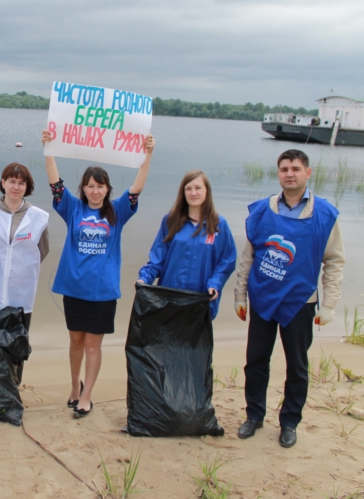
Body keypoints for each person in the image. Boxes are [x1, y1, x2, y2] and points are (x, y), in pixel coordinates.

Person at [234, 149, 345, 448]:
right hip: (262, 298)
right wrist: (239, 295)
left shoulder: (324, 214)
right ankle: (254, 415)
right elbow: (248, 257)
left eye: (296, 168)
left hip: (300, 302)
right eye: (284, 168)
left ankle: (289, 422)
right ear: (278, 173)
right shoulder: (261, 211)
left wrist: (330, 304)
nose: (290, 173)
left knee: (297, 365)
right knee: (256, 360)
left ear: (308, 173)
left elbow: (334, 261)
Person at [41, 129, 155, 418]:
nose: (95, 191)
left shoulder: (117, 211)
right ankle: (74, 387)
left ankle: (87, 395)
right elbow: (55, 184)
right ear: (84, 188)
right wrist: (48, 148)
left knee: (93, 345)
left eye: (100, 186)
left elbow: (138, 187)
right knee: (76, 342)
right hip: (74, 288)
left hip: (102, 292)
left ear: (107, 189)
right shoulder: (73, 209)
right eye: (90, 186)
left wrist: (147, 154)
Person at [0, 162, 49, 382]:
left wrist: (18, 267)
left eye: (21, 183)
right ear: (3, 183)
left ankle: (13, 387)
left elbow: (41, 251)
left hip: (21, 294)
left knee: (17, 345)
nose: (16, 187)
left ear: (27, 187)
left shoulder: (39, 217)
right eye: (12, 181)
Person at [137, 170, 237, 320]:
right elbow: (158, 259)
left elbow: (227, 261)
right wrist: (144, 279)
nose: (193, 193)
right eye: (188, 189)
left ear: (207, 191)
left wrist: (215, 284)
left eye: (198, 188)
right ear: (183, 193)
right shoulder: (170, 221)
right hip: (170, 299)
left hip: (201, 300)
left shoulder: (218, 225)